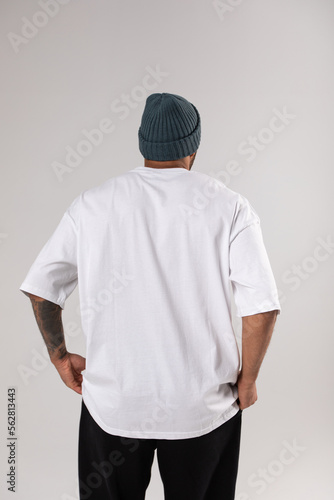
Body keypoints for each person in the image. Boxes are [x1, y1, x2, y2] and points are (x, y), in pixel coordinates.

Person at [20, 92, 281, 500]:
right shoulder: (230, 207)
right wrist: (247, 381)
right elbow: (261, 309)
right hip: (204, 407)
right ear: (193, 147)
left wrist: (59, 357)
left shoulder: (92, 205)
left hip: (115, 405)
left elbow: (42, 289)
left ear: (143, 144)